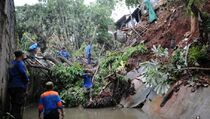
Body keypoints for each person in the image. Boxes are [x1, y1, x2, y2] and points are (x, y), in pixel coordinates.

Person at [8, 50, 29, 119]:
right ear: (21, 55)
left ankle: (11, 116)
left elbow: (10, 74)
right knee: (18, 104)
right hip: (19, 86)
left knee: (13, 103)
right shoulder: (20, 63)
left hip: (11, 86)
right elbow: (23, 73)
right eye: (23, 54)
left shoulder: (12, 63)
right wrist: (26, 80)